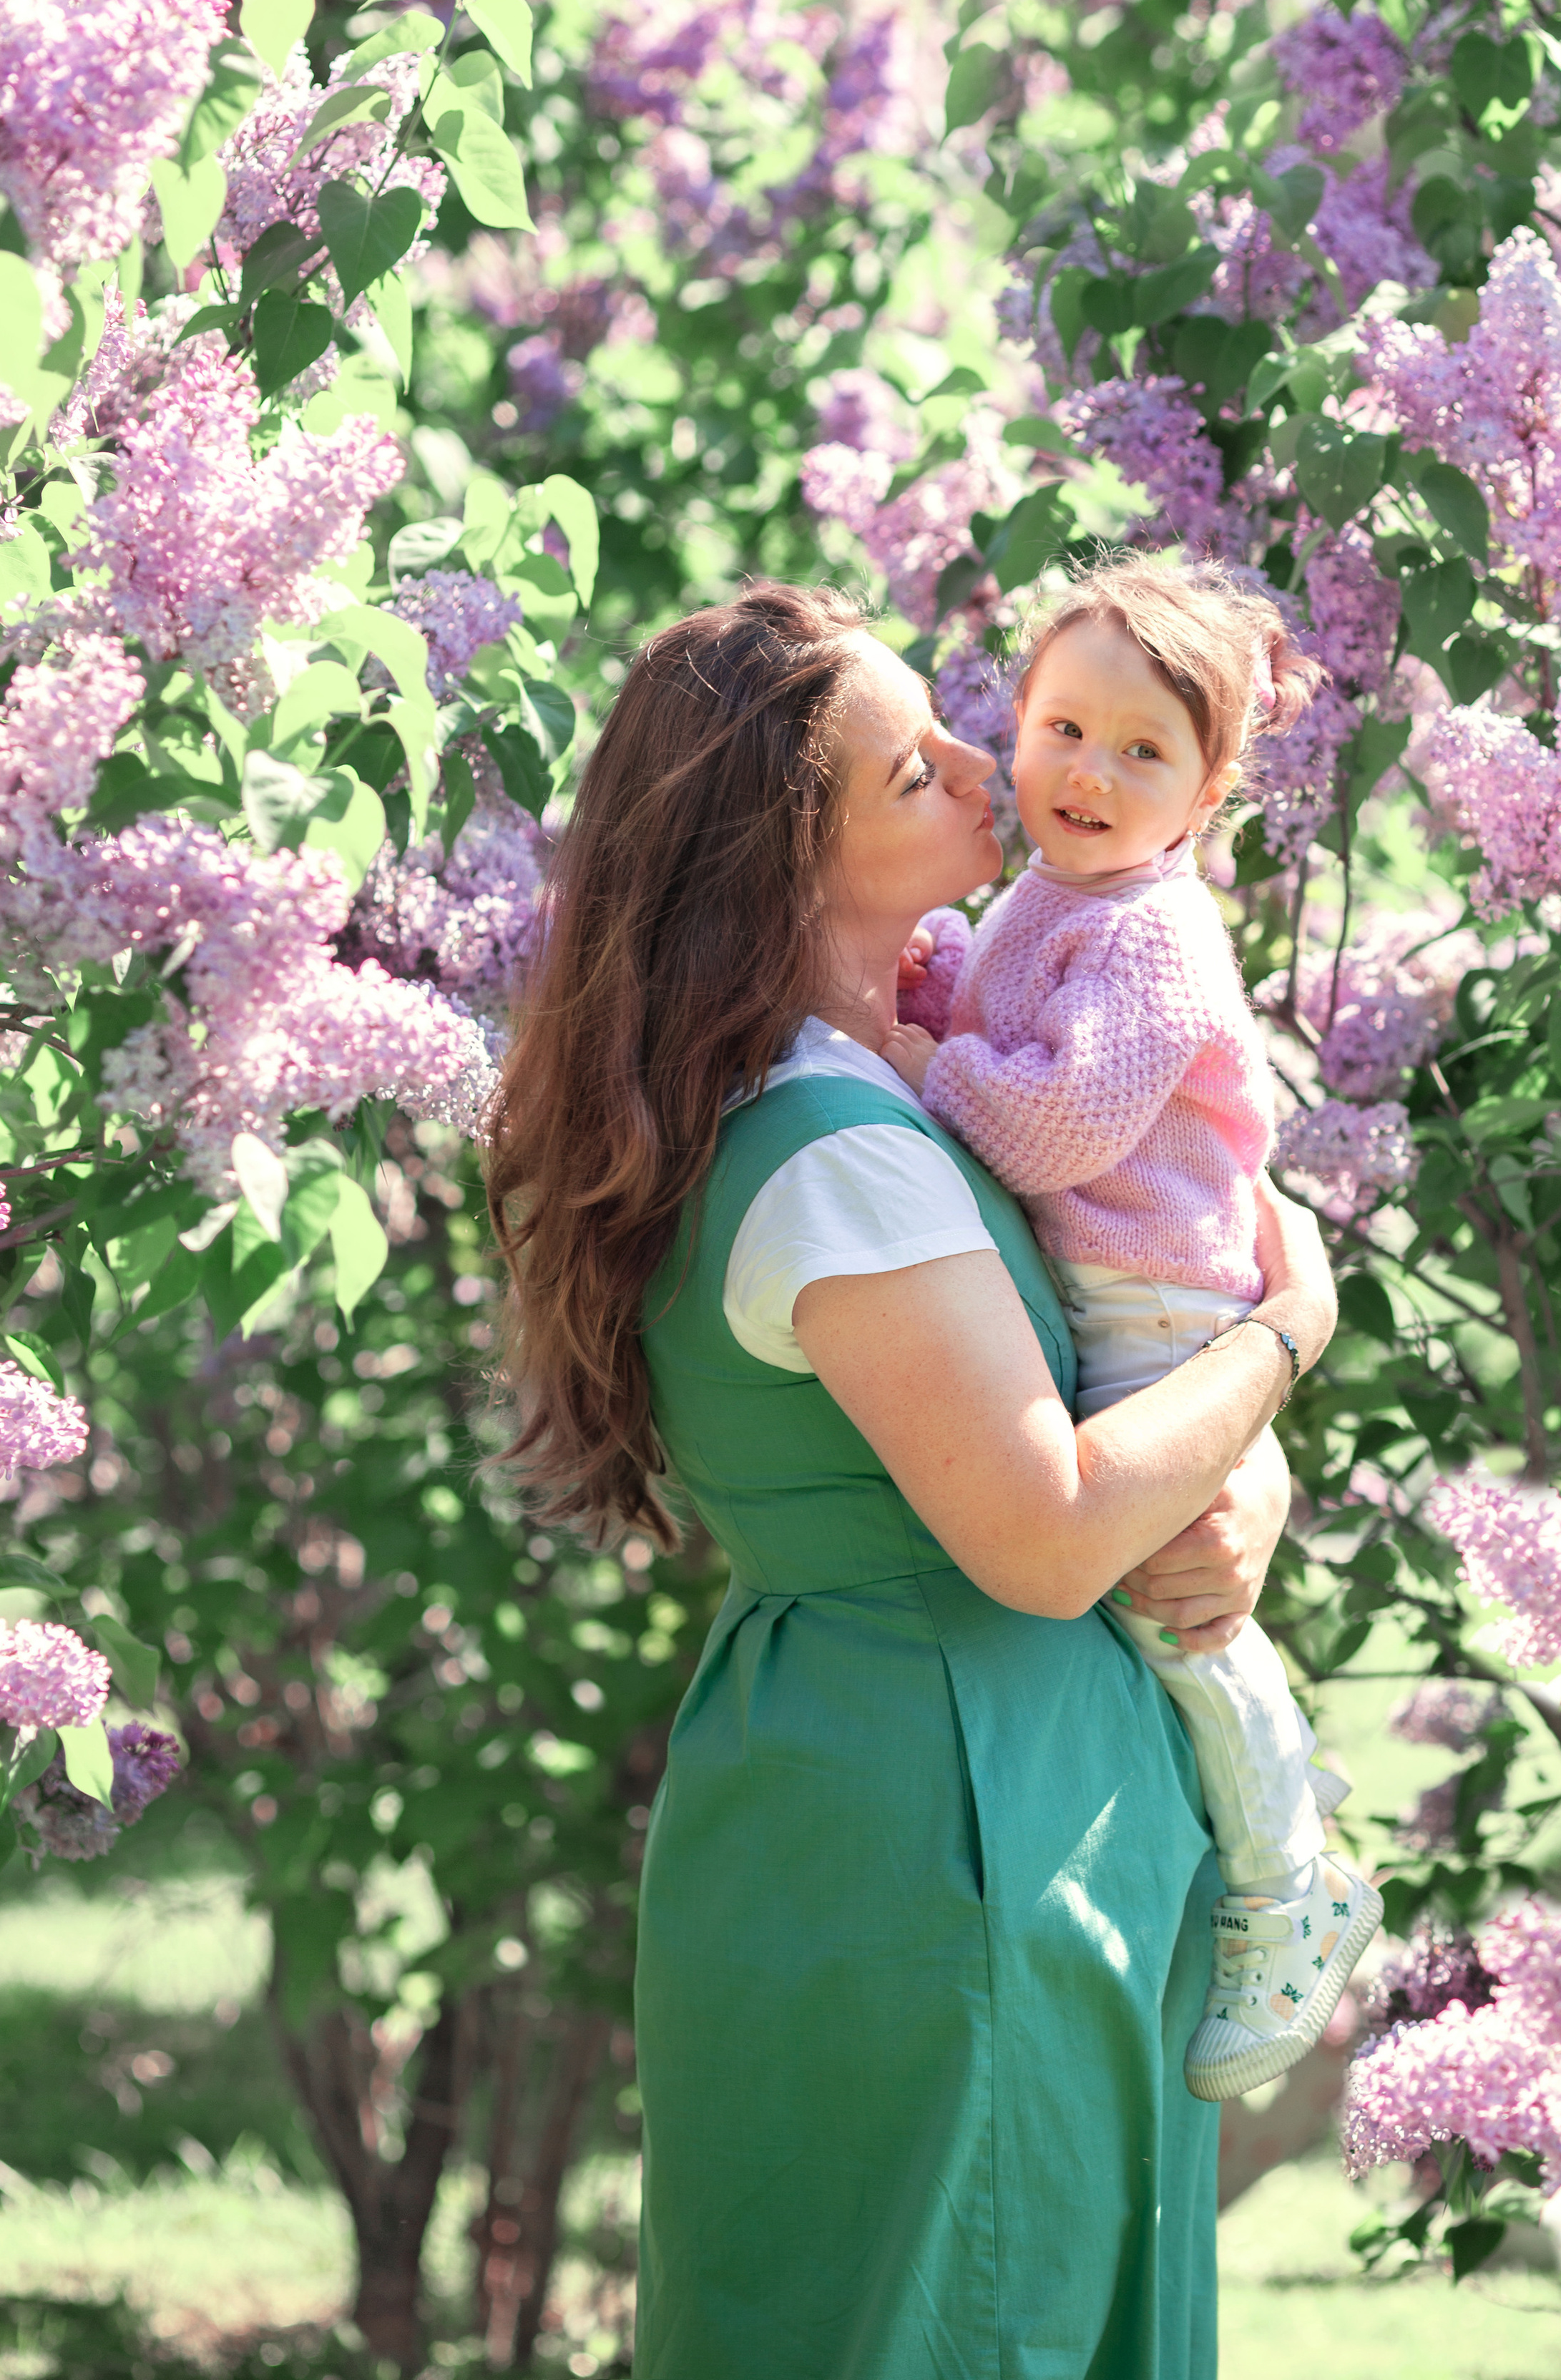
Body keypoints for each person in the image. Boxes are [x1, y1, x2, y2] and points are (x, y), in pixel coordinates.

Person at [486, 578, 1338, 2380]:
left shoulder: (839, 1092)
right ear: (787, 861)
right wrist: (1285, 1334)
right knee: (962, 2319)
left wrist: (1234, 1490)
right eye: (907, 771)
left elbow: (1084, 1389)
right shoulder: (842, 1151)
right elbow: (1045, 1533)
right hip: (961, 1818)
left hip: (884, 1785)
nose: (981, 764)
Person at [886, 557, 1379, 2105]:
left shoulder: (1153, 931)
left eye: (1142, 751)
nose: (1088, 773)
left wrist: (922, 1060)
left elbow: (1057, 1119)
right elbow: (1013, 1029)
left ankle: (1290, 1883)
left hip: (1159, 1300)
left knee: (1171, 1612)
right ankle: (1268, 1798)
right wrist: (938, 986)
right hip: (1123, 1289)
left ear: (1206, 794)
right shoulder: (1056, 895)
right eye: (1063, 729)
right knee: (1153, 1607)